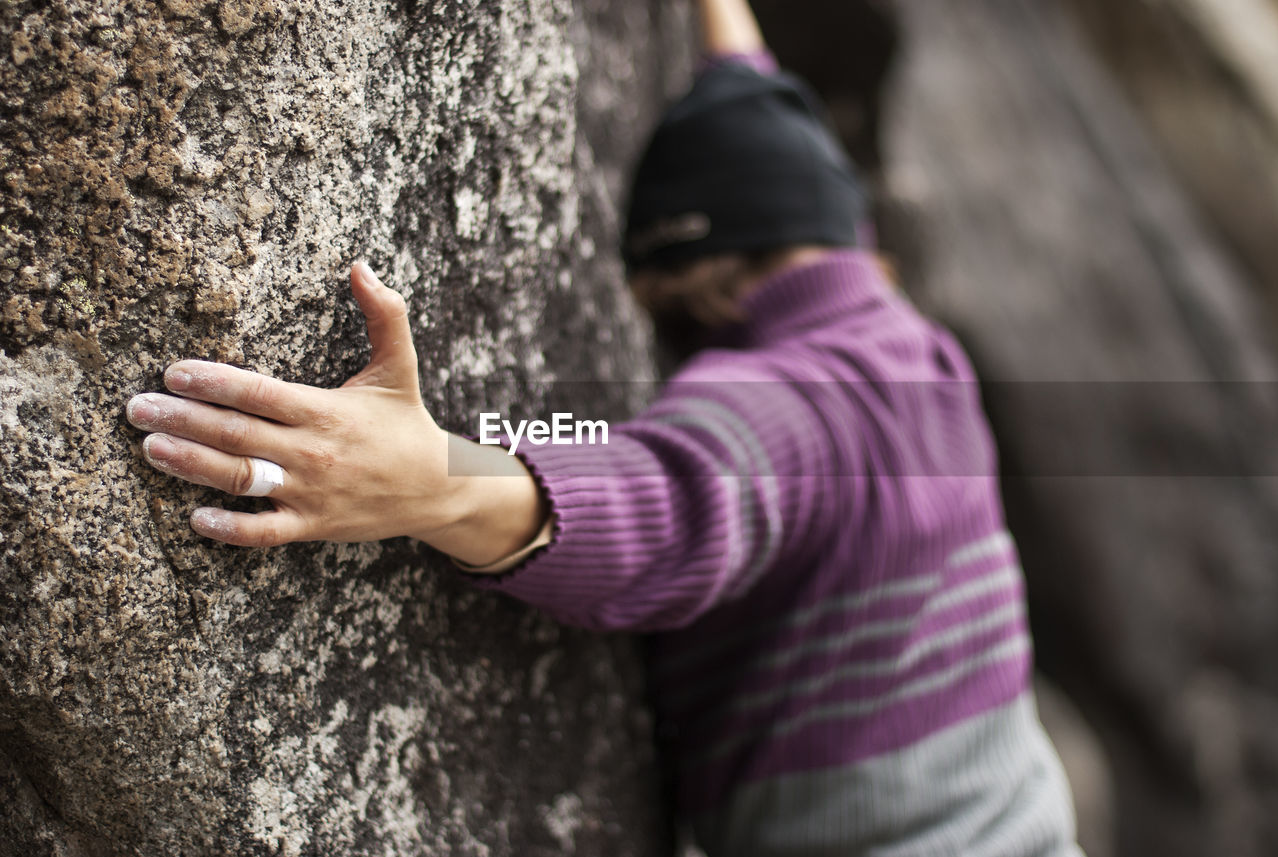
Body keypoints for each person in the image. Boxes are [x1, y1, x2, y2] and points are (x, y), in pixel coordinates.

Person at [125, 0, 1085, 853]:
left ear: (685, 284)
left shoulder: (780, 406)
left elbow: (664, 503)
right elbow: (767, 135)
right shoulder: (921, 353)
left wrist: (429, 480)